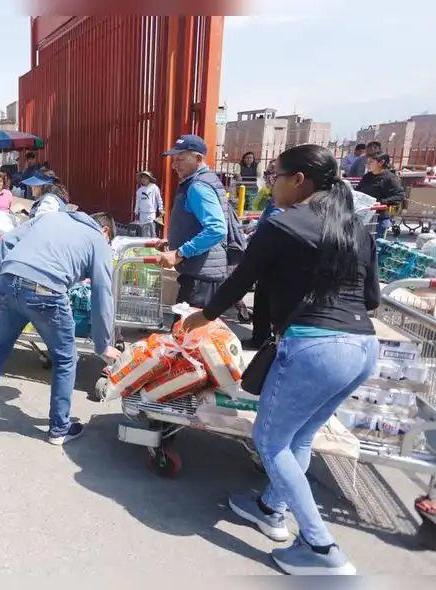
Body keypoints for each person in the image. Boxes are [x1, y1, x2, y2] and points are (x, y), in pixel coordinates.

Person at [180, 144, 379, 576]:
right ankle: (271, 506)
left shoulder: (283, 225)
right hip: (363, 347)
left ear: (299, 181)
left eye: (275, 176)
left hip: (315, 347)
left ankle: (322, 549)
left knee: (271, 443)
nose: (271, 185)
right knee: (300, 439)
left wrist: (205, 315)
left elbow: (241, 279)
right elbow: (372, 299)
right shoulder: (356, 230)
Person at [0, 211, 119, 445]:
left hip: (8, 281)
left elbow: (7, 241)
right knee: (65, 359)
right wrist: (102, 344)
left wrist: (3, 281)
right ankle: (59, 428)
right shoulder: (98, 240)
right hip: (46, 292)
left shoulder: (51, 217)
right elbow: (102, 293)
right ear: (106, 231)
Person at [155, 134, 229, 308]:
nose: (174, 165)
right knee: (189, 331)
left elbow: (216, 229)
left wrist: (179, 253)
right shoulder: (204, 181)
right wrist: (174, 240)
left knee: (189, 332)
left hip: (200, 277)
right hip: (202, 272)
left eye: (180, 159)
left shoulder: (198, 186)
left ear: (198, 158)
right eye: (174, 160)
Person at [243, 192, 285, 350]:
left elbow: (271, 225)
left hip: (273, 261)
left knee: (266, 301)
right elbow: (256, 206)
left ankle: (263, 338)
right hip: (267, 260)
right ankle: (261, 336)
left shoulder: (282, 207)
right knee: (262, 300)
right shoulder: (271, 201)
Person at [355, 151, 406, 240]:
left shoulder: (390, 178)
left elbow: (400, 196)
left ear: (381, 162)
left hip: (380, 218)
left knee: (377, 243)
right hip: (365, 216)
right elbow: (359, 191)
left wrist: (381, 203)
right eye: (367, 162)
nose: (367, 164)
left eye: (371, 162)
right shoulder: (367, 177)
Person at [134, 170, 163, 238]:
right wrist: (136, 211)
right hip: (142, 213)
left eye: (145, 178)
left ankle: (152, 246)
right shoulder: (140, 190)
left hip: (151, 213)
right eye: (142, 178)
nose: (143, 179)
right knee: (143, 230)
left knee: (152, 231)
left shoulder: (154, 187)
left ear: (149, 179)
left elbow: (159, 199)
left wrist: (161, 208)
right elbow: (138, 201)